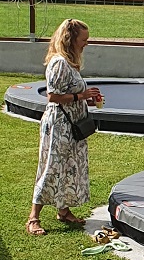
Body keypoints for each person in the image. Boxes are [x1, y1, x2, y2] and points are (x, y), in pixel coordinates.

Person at [26, 19, 103, 235]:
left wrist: (87, 100)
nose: (86, 43)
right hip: (59, 125)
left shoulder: (70, 63)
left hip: (71, 125)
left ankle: (64, 210)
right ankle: (33, 218)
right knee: (52, 167)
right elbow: (53, 96)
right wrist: (81, 96)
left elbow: (69, 94)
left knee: (70, 166)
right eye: (84, 39)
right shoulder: (59, 63)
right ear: (71, 39)